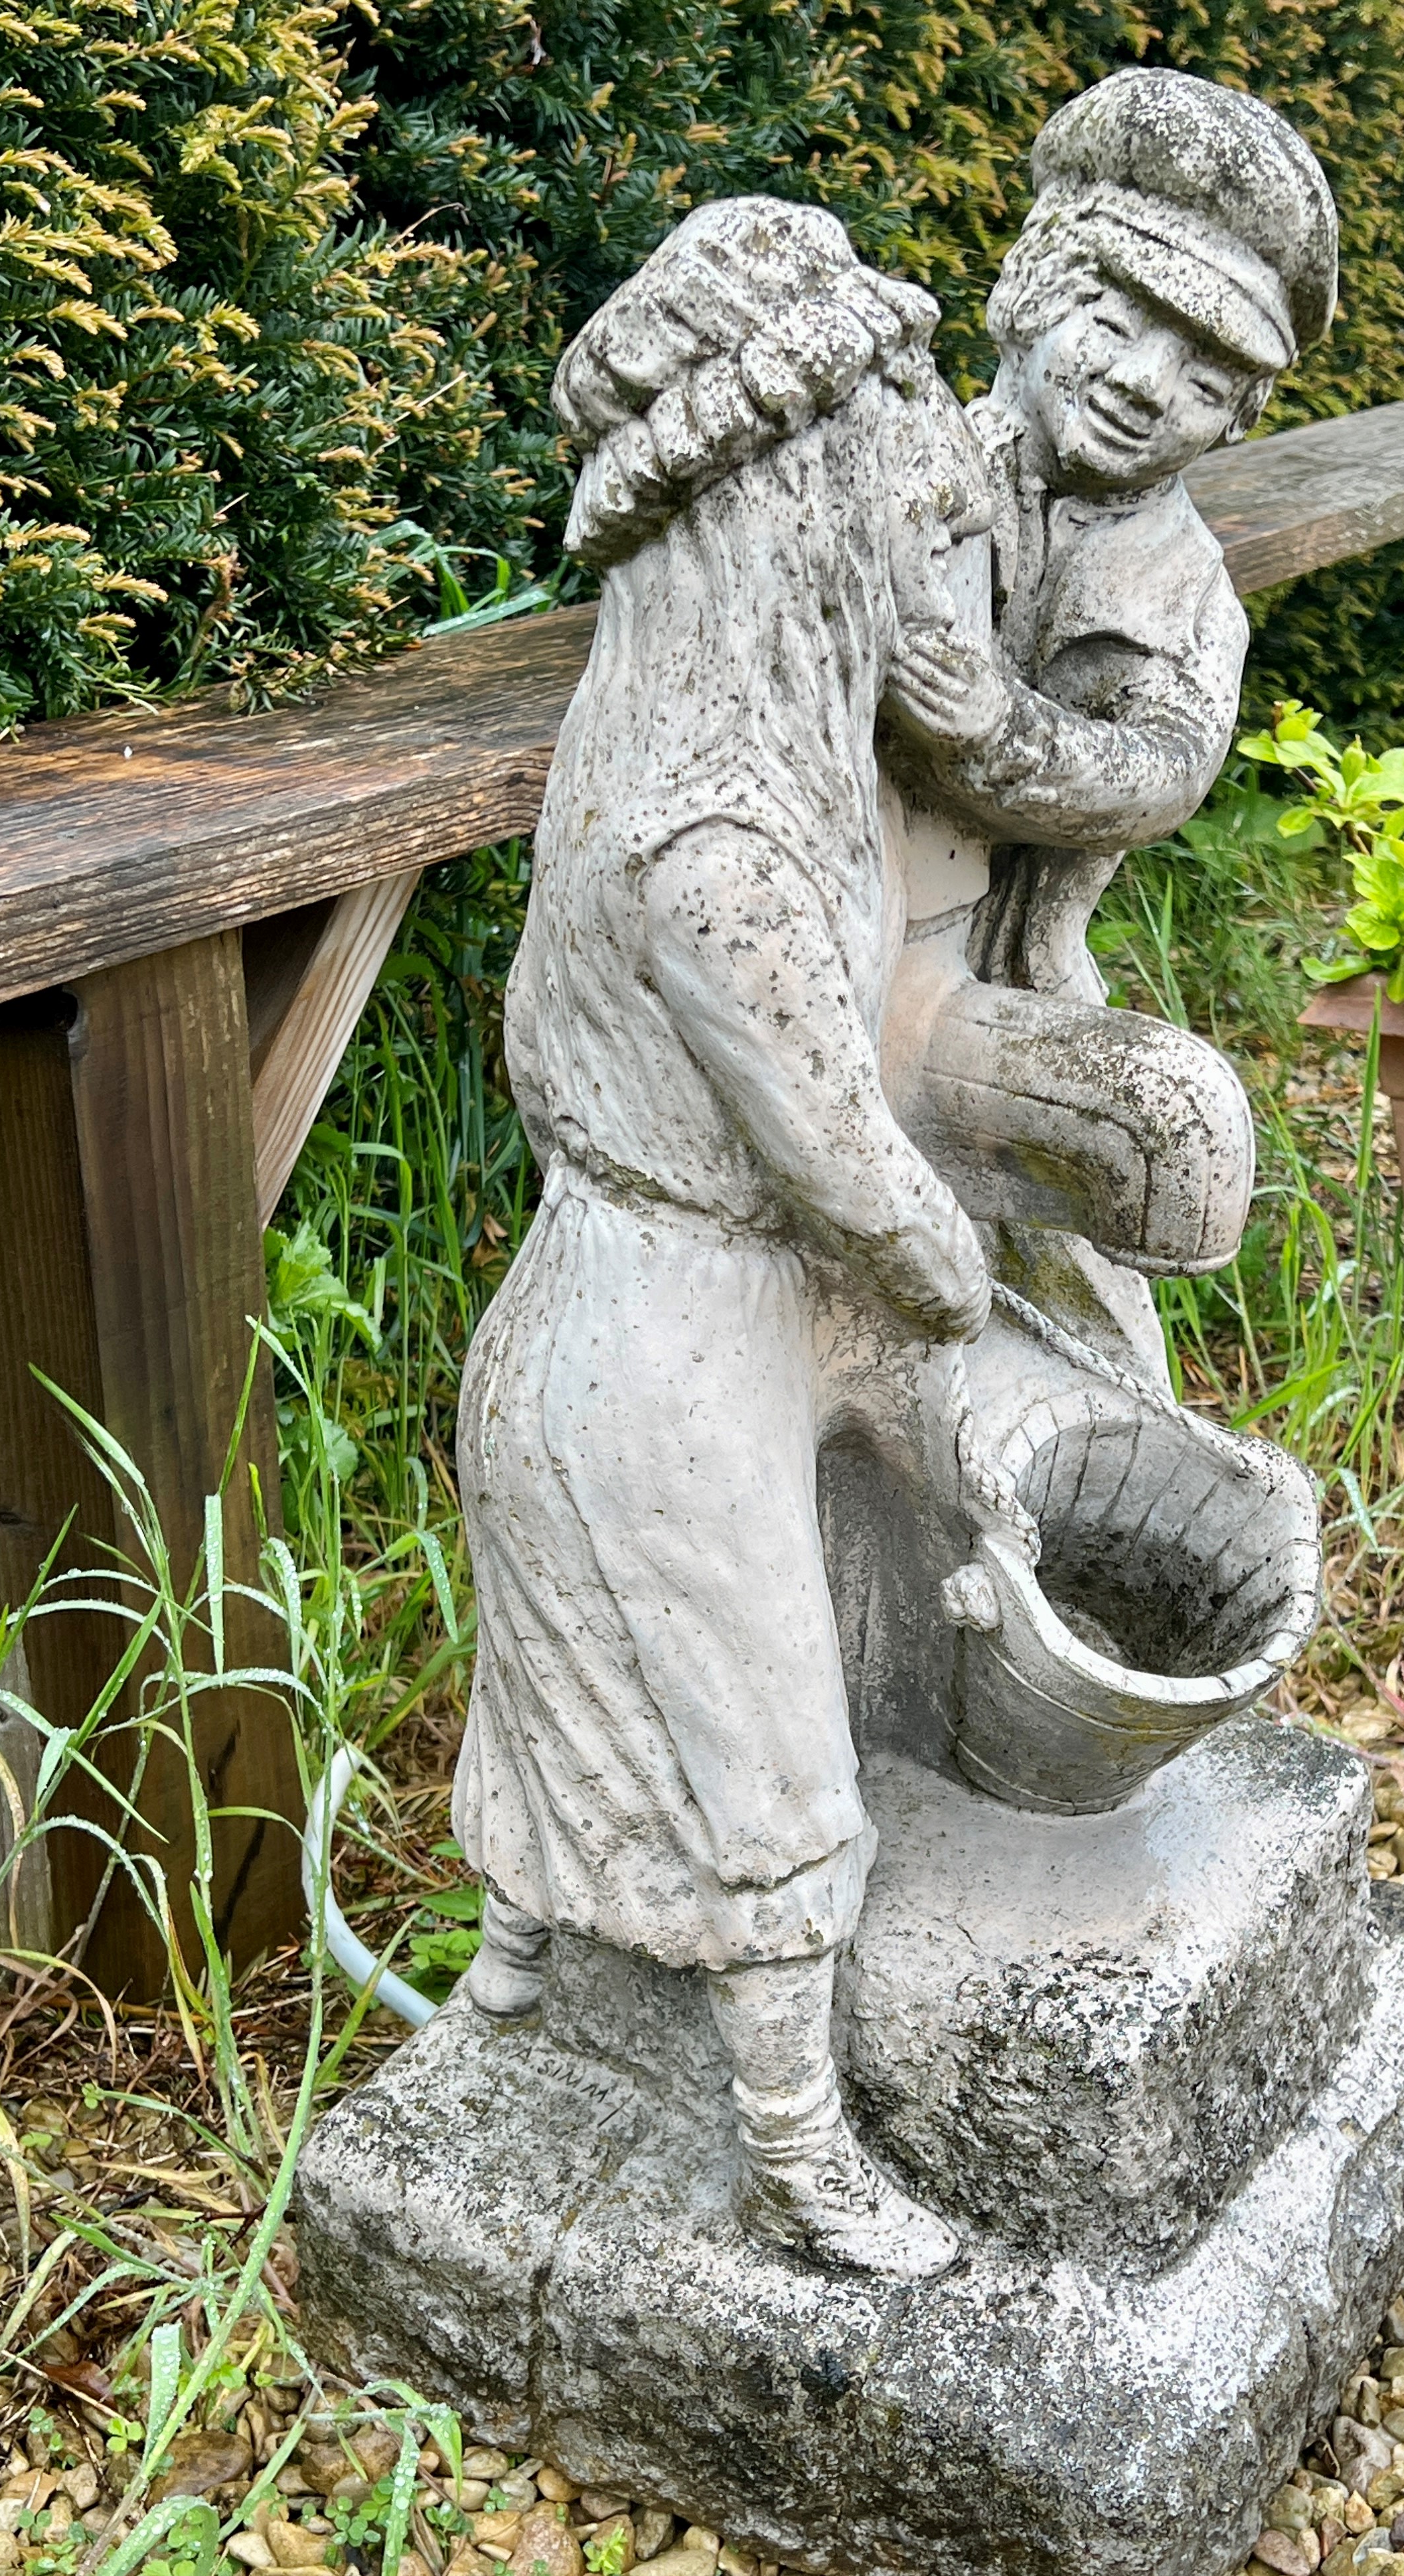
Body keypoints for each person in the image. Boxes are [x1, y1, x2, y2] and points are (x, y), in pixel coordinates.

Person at [451, 197, 1016, 2283]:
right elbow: (844, 1151)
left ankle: (511, 1992)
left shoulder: (656, 736)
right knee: (760, 1754)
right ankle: (801, 2154)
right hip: (660, 1348)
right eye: (885, 451)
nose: (918, 491)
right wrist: (953, 1276)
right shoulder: (716, 838)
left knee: (571, 1681)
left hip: (628, 1313)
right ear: (791, 494)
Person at [886, 67, 1339, 1006]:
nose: (1144, 384)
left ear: (1235, 420)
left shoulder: (1186, 589)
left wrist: (1005, 734)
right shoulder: (905, 467)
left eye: (1206, 387)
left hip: (1017, 979)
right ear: (1036, 294)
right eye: (1114, 321)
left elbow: (1168, 769)